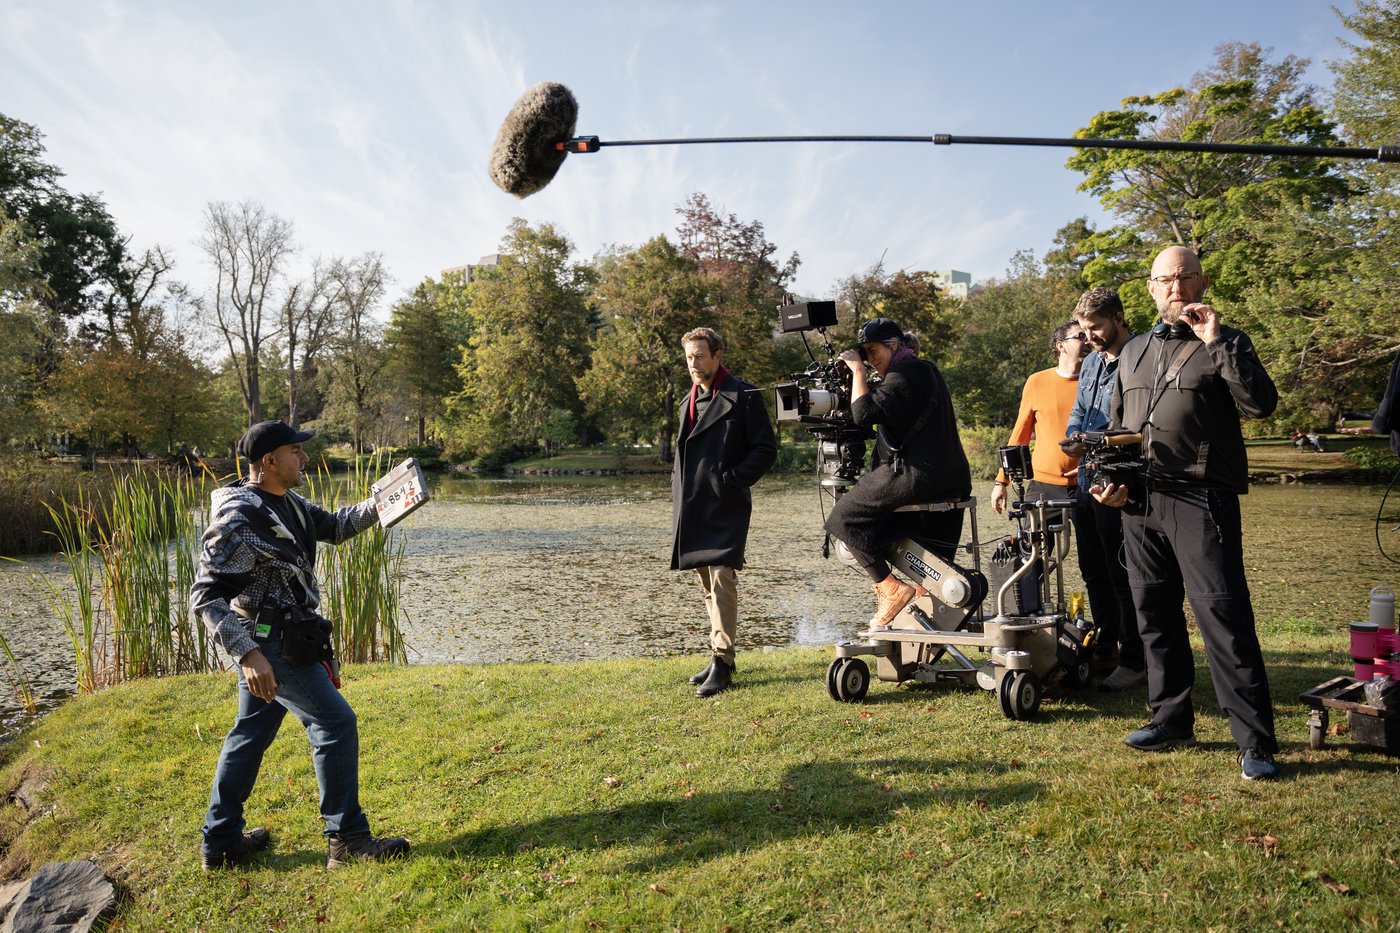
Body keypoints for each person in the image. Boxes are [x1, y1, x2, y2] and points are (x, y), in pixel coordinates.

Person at [1091, 246, 1281, 781]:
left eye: (1185, 277)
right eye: (1165, 279)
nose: (1175, 286)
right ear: (1151, 288)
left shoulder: (1228, 341)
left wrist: (1215, 341)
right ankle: (1170, 719)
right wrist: (1111, 485)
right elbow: (1118, 431)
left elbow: (1261, 404)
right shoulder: (1132, 351)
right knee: (1153, 615)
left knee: (1223, 617)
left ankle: (1255, 741)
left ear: (1201, 282)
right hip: (1140, 503)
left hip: (1201, 499)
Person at [193, 420, 411, 869]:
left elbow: (336, 525)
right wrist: (248, 654)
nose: (304, 457)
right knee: (335, 723)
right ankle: (347, 839)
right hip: (271, 646)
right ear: (269, 461)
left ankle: (222, 842)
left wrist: (390, 498)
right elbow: (205, 596)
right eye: (295, 450)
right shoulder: (238, 518)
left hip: (283, 638)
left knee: (249, 736)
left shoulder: (287, 501)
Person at [825, 317, 972, 629]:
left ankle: (890, 588)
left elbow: (863, 413)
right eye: (865, 354)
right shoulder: (924, 369)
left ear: (893, 345)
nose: (870, 359)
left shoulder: (904, 373)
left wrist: (857, 372)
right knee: (896, 529)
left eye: (873, 351)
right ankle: (922, 598)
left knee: (843, 517)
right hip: (951, 477)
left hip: (919, 475)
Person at [671, 327, 777, 698]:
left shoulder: (743, 394)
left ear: (718, 355)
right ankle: (720, 655)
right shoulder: (686, 401)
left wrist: (731, 480)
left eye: (700, 356)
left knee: (721, 578)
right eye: (689, 357)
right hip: (693, 503)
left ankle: (723, 659)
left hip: (726, 502)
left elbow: (765, 450)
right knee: (706, 581)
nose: (694, 363)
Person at [1059, 288, 1146, 692]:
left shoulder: (1141, 356)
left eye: (1095, 327)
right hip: (1086, 478)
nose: (1089, 336)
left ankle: (1135, 659)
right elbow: (1079, 410)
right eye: (1083, 330)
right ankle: (1107, 647)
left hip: (1122, 478)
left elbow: (1140, 424)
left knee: (1123, 572)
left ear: (1118, 318)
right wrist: (1074, 436)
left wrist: (1099, 440)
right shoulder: (1092, 361)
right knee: (1094, 571)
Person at [990, 319, 1086, 512]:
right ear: (1061, 345)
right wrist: (1002, 481)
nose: (1088, 340)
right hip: (1044, 484)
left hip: (1088, 482)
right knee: (1032, 532)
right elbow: (1020, 434)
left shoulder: (1096, 381)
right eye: (1081, 336)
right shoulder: (1037, 381)